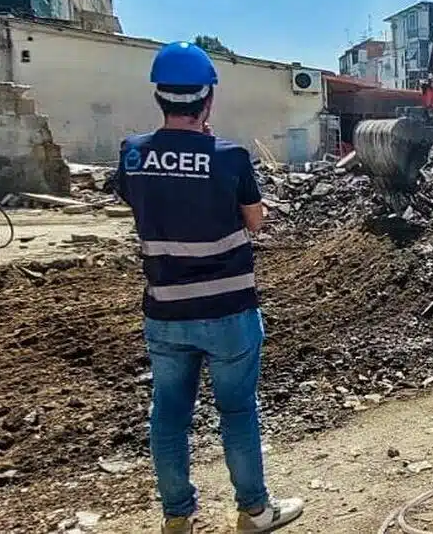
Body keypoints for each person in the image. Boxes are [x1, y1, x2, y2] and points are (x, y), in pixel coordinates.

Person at [116, 41, 303, 534]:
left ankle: (178, 519)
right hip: (228, 310)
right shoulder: (230, 157)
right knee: (238, 411)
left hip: (166, 312)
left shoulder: (132, 154)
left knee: (169, 415)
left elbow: (134, 201)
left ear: (160, 96)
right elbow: (255, 222)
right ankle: (254, 512)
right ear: (208, 101)